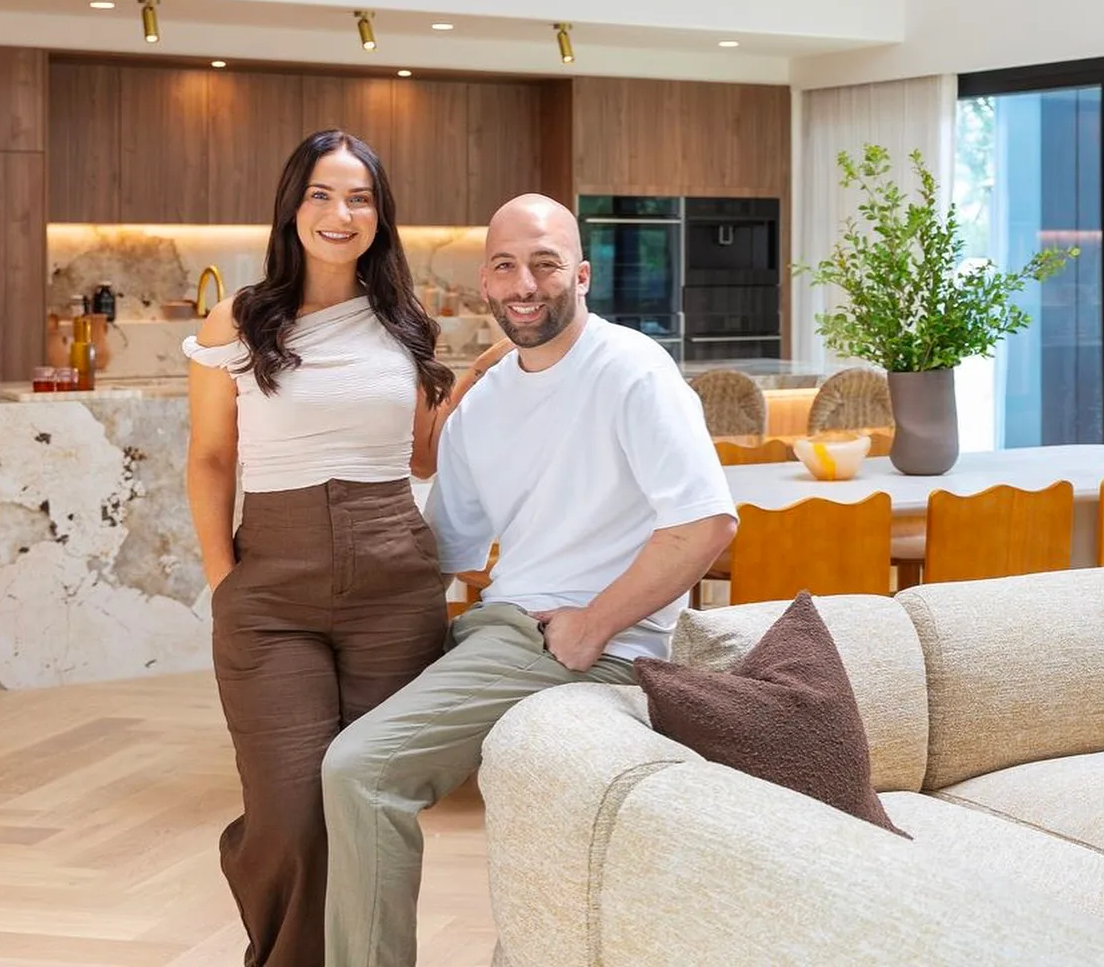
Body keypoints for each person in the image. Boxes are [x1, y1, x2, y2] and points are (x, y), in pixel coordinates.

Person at [320, 193, 739, 967]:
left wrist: (595, 622)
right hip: (498, 628)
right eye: (507, 266)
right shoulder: (485, 409)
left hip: (565, 637)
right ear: (485, 282)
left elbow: (706, 522)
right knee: (320, 733)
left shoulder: (631, 369)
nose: (525, 284)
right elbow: (446, 551)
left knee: (361, 769)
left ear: (580, 275)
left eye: (545, 265)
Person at [184, 128, 510, 967]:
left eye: (360, 197)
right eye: (323, 195)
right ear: (294, 206)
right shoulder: (239, 319)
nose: (341, 213)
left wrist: (469, 382)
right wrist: (226, 584)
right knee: (288, 811)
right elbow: (212, 460)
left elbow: (419, 459)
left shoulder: (407, 324)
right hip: (272, 588)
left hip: (392, 583)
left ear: (380, 215)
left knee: (362, 806)